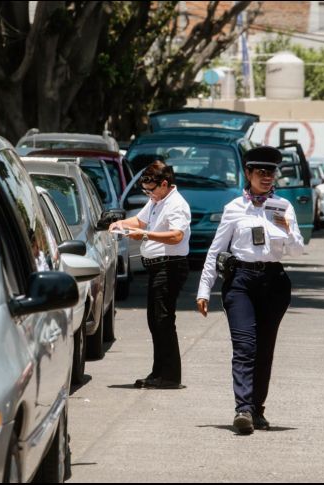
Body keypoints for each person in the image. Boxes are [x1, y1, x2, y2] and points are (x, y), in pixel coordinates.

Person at [196, 146, 304, 435]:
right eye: (261, 172)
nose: (267, 177)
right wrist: (204, 289)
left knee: (264, 349)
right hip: (241, 281)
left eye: (271, 172)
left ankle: (257, 408)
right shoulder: (234, 208)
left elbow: (297, 250)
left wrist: (287, 230)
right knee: (245, 346)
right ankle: (242, 408)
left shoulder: (283, 206)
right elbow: (215, 251)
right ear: (248, 173)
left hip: (274, 283)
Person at [109, 160, 191, 389]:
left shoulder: (176, 204)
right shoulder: (157, 200)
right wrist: (120, 223)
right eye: (145, 191)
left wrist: (144, 235)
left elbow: (176, 235)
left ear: (164, 184)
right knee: (155, 321)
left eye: (151, 190)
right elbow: (140, 220)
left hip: (170, 266)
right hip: (157, 266)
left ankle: (170, 376)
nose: (149, 194)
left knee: (163, 320)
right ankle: (159, 372)